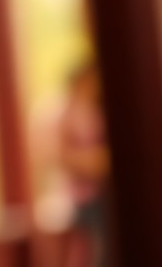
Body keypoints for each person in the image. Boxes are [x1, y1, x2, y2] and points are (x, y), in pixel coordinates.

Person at [56, 60, 109, 267]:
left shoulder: (96, 109)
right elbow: (63, 157)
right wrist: (93, 161)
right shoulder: (68, 115)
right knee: (91, 247)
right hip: (85, 195)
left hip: (101, 193)